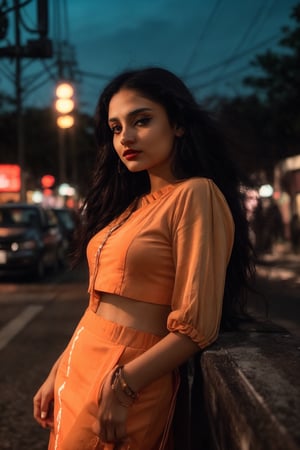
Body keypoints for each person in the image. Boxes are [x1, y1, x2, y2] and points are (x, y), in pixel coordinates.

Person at [33, 67, 254, 450]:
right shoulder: (129, 206)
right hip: (81, 360)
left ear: (179, 124)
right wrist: (59, 366)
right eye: (116, 128)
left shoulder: (195, 195)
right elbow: (98, 304)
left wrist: (124, 387)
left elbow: (196, 326)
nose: (126, 138)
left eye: (142, 121)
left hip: (132, 375)